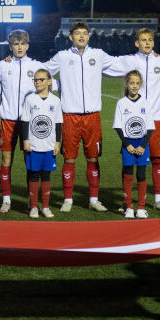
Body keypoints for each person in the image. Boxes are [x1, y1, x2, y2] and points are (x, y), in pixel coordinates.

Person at [107, 28, 160, 210]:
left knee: (157, 159)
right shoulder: (129, 61)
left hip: (155, 120)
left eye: (150, 40)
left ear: (153, 42)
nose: (147, 43)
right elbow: (106, 66)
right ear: (136, 43)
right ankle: (127, 199)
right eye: (143, 40)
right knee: (129, 162)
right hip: (131, 123)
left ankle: (158, 199)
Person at [43, 21, 124, 212]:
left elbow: (121, 63)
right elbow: (43, 71)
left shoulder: (98, 55)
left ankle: (93, 199)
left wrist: (145, 58)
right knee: (69, 159)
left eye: (84, 33)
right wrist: (57, 86)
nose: (81, 36)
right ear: (70, 37)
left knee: (93, 159)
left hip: (92, 117)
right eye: (77, 33)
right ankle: (68, 200)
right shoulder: (62, 56)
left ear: (88, 36)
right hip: (69, 116)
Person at [0, 29, 52, 212]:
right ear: (10, 46)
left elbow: (52, 84)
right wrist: (4, 93)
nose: (19, 47)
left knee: (30, 162)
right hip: (8, 120)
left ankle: (31, 200)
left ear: (27, 45)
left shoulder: (36, 66)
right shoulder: (3, 65)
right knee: (6, 159)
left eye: (22, 44)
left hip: (30, 122)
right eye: (15, 44)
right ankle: (6, 200)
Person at [21, 69, 62, 218]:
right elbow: (25, 121)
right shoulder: (30, 99)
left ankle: (45, 206)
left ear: (49, 81)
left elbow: (58, 123)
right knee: (33, 175)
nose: (37, 82)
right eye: (35, 80)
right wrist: (25, 140)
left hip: (49, 145)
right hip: (33, 145)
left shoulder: (55, 100)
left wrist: (57, 143)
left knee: (46, 176)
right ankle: (33, 206)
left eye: (41, 79)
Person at [113, 70, 155, 219]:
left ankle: (141, 208)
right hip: (128, 144)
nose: (134, 86)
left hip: (143, 143)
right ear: (127, 84)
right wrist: (127, 145)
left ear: (141, 84)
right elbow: (118, 127)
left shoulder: (146, 103)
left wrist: (143, 145)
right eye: (132, 83)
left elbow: (150, 127)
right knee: (128, 173)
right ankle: (129, 206)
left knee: (142, 174)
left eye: (137, 83)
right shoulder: (121, 103)